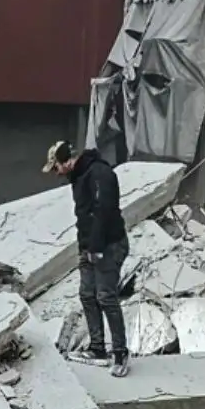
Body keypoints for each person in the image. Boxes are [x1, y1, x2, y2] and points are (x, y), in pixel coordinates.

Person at [43, 140, 130, 377]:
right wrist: (86, 247)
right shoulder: (79, 177)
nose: (56, 173)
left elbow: (104, 212)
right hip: (89, 246)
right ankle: (97, 348)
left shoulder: (100, 173)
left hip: (109, 245)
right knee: (87, 295)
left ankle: (120, 353)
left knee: (106, 296)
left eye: (56, 167)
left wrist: (96, 247)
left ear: (66, 161)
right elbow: (85, 215)